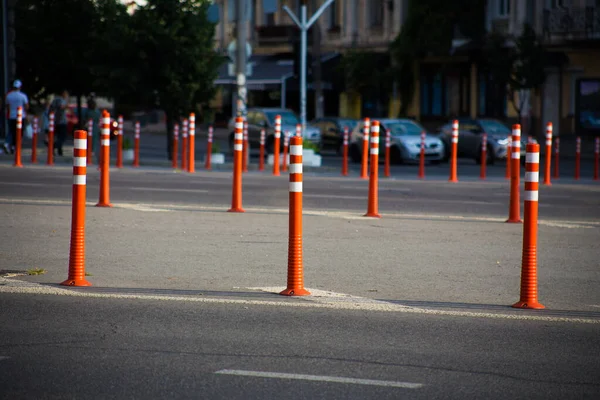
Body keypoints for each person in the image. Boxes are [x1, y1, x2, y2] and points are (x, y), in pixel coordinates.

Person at [4, 80, 29, 154]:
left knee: (11, 131)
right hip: (21, 116)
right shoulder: (23, 96)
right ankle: (15, 146)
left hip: (11, 116)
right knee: (19, 132)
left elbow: (7, 106)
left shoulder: (9, 95)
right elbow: (27, 106)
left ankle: (8, 143)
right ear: (20, 87)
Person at [49, 90, 69, 156]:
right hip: (61, 121)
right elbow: (61, 107)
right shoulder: (61, 100)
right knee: (63, 136)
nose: (67, 95)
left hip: (55, 121)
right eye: (66, 94)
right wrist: (67, 105)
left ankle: (59, 150)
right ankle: (54, 146)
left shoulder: (55, 100)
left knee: (58, 136)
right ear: (63, 94)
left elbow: (51, 108)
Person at [84, 96, 101, 163]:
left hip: (89, 127)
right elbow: (99, 119)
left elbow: (85, 119)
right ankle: (92, 152)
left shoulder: (88, 111)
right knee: (94, 141)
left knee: (88, 141)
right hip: (95, 127)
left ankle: (88, 152)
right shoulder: (97, 112)